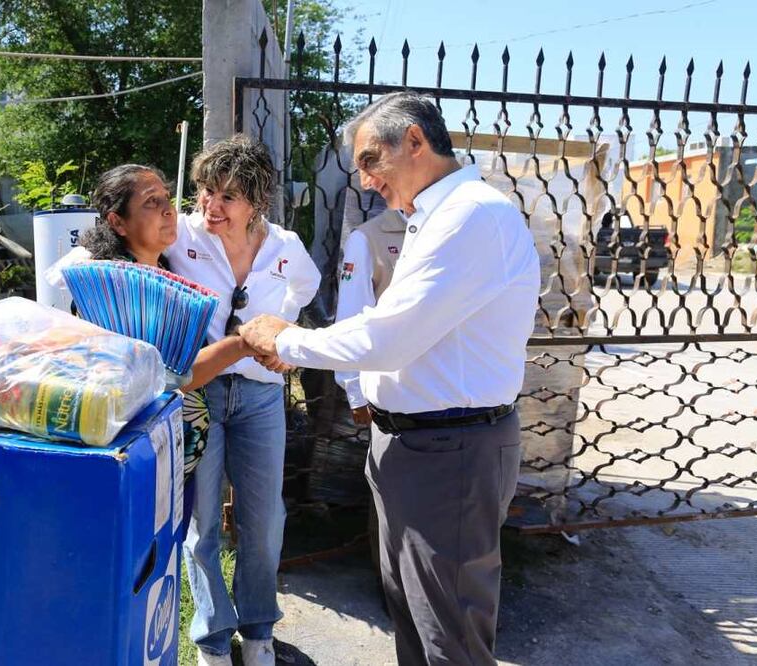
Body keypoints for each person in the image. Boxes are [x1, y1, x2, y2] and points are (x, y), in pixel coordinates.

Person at [237, 92, 540, 666]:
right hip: (416, 443)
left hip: (449, 450)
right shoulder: (435, 217)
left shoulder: (471, 215)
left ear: (416, 143)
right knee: (413, 614)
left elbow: (387, 337)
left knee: (447, 633)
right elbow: (384, 326)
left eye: (373, 159)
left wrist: (286, 341)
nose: (367, 179)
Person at [45, 163, 268, 538]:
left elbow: (180, 371)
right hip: (136, 463)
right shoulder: (112, 290)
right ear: (117, 222)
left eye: (167, 198)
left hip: (172, 457)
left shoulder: (166, 275)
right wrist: (242, 344)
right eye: (152, 202)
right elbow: (161, 380)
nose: (169, 210)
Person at [163, 135, 320, 666]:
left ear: (257, 202)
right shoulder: (181, 235)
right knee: (204, 523)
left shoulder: (285, 247)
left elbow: (306, 288)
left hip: (260, 397)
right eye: (205, 191)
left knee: (263, 520)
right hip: (200, 394)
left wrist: (284, 335)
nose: (211, 206)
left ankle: (258, 634)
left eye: (228, 196)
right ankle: (210, 639)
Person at [334, 206, 407, 425]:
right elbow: (351, 318)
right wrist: (356, 393)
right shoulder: (368, 239)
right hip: (394, 396)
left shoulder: (458, 229)